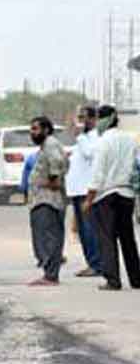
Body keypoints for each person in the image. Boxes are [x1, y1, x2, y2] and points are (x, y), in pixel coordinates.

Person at [85, 104, 140, 291]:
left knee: (106, 238)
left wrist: (88, 199)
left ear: (103, 119)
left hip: (106, 195)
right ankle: (136, 278)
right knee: (127, 237)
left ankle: (113, 279)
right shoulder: (130, 140)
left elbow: (98, 174)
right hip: (126, 193)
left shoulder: (103, 142)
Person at [26, 117, 68, 287]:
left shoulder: (50, 144)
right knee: (46, 237)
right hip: (42, 199)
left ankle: (50, 276)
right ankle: (49, 273)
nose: (32, 132)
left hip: (47, 200)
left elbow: (57, 162)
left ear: (46, 130)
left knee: (48, 237)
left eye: (35, 129)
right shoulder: (47, 145)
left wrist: (52, 180)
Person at [65, 106, 103, 277]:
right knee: (83, 230)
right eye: (79, 117)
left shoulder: (94, 138)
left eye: (83, 117)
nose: (80, 121)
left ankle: (96, 264)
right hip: (77, 191)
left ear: (94, 119)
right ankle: (92, 263)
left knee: (89, 230)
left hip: (85, 191)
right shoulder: (84, 138)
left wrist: (78, 135)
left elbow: (89, 154)